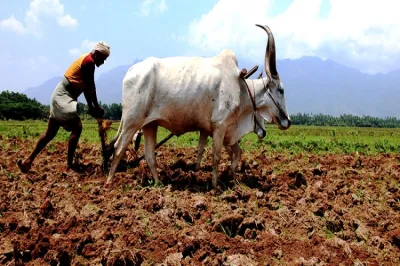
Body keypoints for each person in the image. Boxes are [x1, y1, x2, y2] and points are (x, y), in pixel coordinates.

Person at [17, 41, 110, 173]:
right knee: (77, 128)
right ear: (97, 54)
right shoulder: (89, 62)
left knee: (50, 134)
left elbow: (86, 89)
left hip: (60, 94)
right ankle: (70, 165)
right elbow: (91, 89)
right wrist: (96, 107)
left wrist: (93, 107)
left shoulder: (87, 59)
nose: (103, 62)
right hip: (64, 96)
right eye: (103, 58)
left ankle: (28, 161)